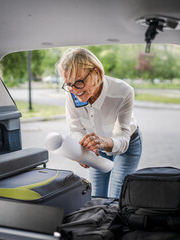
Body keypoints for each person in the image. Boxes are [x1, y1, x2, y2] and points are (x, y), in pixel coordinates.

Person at [57, 48, 142, 198]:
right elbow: (76, 129)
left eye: (79, 82)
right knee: (96, 197)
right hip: (96, 148)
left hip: (127, 144)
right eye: (69, 84)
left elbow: (122, 136)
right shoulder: (71, 93)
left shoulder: (123, 92)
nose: (74, 90)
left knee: (118, 199)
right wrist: (82, 150)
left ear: (96, 73)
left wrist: (104, 142)